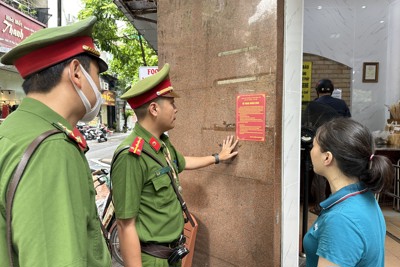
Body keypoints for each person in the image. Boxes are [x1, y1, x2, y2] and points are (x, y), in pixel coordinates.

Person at [0, 17, 111, 266]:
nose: (100, 88)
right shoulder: (51, 149)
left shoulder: (13, 131)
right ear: (76, 73)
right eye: (97, 75)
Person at [111, 63, 239, 267]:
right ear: (154, 109)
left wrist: (218, 157)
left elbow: (183, 161)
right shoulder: (131, 155)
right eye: (171, 103)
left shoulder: (161, 143)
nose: (176, 109)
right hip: (152, 260)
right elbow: (126, 226)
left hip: (172, 255)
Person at [303, 117, 393, 267]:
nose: (311, 151)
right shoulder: (363, 195)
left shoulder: (340, 220)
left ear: (327, 157)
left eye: (314, 145)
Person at [307, 79, 351, 214]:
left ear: (317, 90)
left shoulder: (313, 105)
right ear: (332, 90)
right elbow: (348, 123)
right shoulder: (341, 103)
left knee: (319, 177)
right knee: (339, 173)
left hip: (321, 144)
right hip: (339, 144)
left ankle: (321, 206)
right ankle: (340, 204)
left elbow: (308, 126)